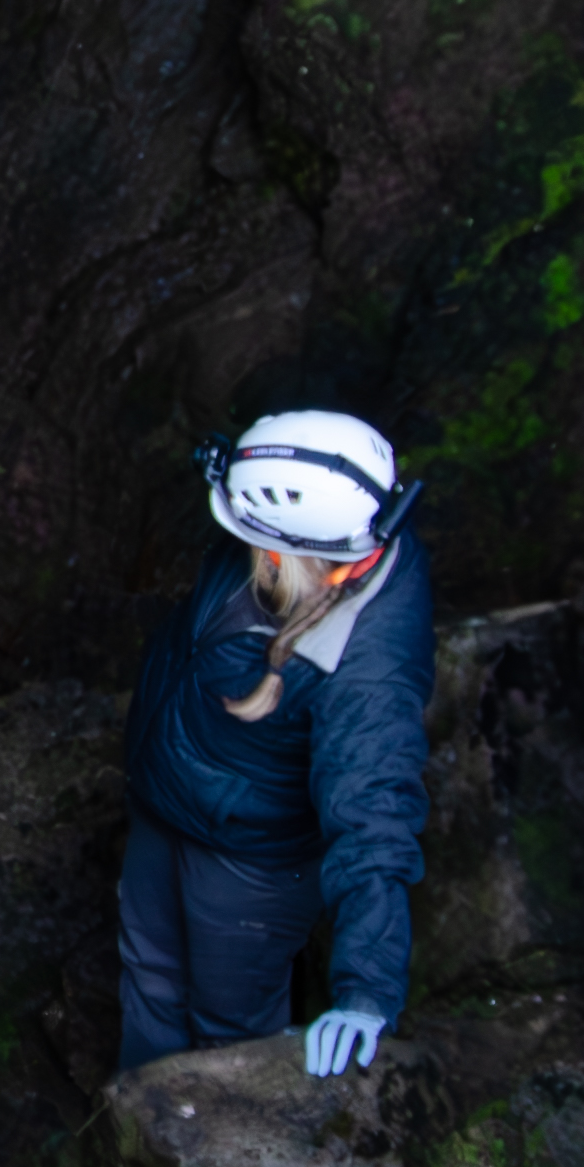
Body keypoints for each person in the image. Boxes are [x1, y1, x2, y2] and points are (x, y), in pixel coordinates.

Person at [118, 409, 433, 1078]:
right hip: (167, 798)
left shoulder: (364, 670)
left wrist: (366, 994)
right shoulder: (315, 535)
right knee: (148, 975)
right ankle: (131, 1132)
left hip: (251, 866)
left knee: (229, 1031)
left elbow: (374, 816)